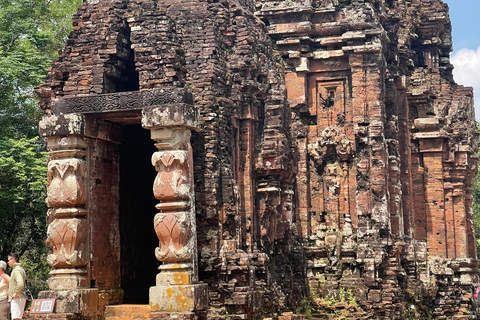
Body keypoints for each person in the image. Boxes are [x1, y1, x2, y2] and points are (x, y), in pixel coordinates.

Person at [7, 253, 26, 320]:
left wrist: (16, 293)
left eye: (9, 260)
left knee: (16, 318)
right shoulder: (19, 269)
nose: (8, 262)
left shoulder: (16, 270)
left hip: (17, 297)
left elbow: (20, 284)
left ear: (13, 260)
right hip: (19, 297)